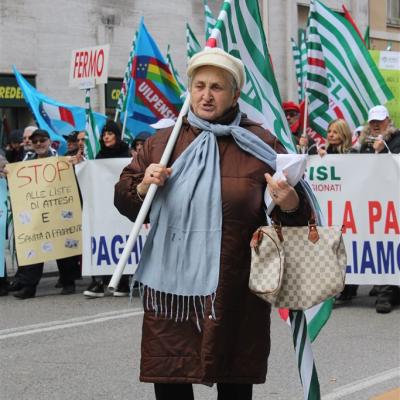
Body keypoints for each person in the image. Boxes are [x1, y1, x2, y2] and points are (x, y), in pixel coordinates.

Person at [114, 48, 312, 400]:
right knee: (172, 381)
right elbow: (126, 201)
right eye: (199, 86)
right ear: (189, 90)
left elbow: (296, 218)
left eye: (217, 87)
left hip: (235, 285)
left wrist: (290, 202)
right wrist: (143, 185)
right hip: (172, 293)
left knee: (235, 384)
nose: (206, 95)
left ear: (235, 94)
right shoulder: (163, 142)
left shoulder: (261, 143)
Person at [7, 129, 81, 299]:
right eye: (35, 141)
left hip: (57, 208)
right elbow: (17, 177)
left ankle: (68, 281)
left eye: (42, 140)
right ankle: (29, 286)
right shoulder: (27, 160)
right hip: (36, 210)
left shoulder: (59, 158)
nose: (39, 144)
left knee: (63, 245)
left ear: (49, 141)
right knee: (33, 246)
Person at [83, 120, 131, 298]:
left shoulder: (127, 155)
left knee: (124, 240)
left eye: (109, 133)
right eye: (104, 134)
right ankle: (99, 281)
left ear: (117, 136)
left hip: (122, 207)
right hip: (104, 207)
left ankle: (123, 281)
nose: (106, 137)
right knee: (102, 239)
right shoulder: (99, 157)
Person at [359, 105, 400, 313]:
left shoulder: (397, 139)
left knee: (390, 243)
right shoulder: (363, 142)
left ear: (388, 120)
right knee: (375, 244)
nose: (376, 125)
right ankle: (382, 285)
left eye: (379, 121)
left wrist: (382, 149)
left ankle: (387, 292)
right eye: (373, 121)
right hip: (370, 202)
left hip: (392, 201)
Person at [317, 119, 358, 304]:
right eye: (329, 131)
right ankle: (337, 288)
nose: (331, 134)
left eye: (335, 131)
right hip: (331, 210)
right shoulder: (321, 153)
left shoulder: (353, 155)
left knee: (348, 246)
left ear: (344, 134)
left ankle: (350, 288)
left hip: (349, 208)